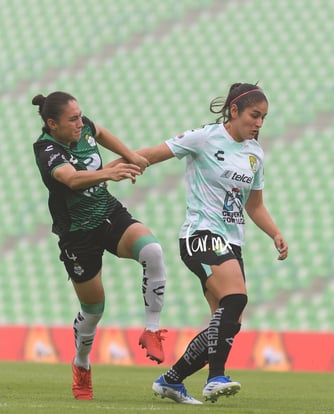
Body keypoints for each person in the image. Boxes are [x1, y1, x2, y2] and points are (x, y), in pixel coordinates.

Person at [132, 83, 288, 404]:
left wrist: (275, 233)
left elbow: (254, 205)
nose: (259, 124)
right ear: (234, 111)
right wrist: (119, 166)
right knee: (236, 298)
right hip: (200, 235)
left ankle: (171, 381)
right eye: (254, 116)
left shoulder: (254, 154)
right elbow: (154, 153)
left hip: (232, 244)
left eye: (264, 118)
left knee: (229, 323)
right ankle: (215, 377)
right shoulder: (205, 138)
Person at [32, 91, 168, 400]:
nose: (81, 123)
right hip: (77, 234)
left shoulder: (85, 127)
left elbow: (101, 132)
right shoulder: (46, 150)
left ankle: (152, 329)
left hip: (107, 213)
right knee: (93, 311)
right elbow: (72, 180)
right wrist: (110, 172)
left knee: (152, 251)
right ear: (53, 124)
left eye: (81, 115)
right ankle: (81, 364)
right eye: (73, 119)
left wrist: (131, 155)